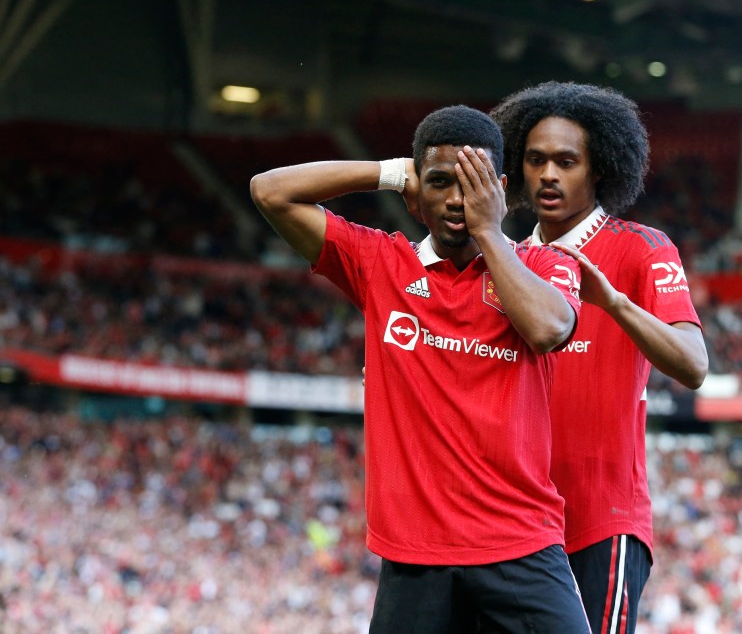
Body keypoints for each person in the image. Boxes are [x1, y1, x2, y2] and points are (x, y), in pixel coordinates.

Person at [250, 105, 591, 633]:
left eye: (473, 185)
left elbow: (549, 329)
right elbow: (271, 191)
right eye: (439, 182)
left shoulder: (545, 265)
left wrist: (489, 231)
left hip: (522, 546)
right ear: (416, 192)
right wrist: (387, 172)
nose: (457, 200)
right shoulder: (379, 264)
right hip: (416, 557)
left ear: (498, 189)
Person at [491, 82, 709, 634]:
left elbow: (693, 364)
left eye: (567, 161)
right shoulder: (507, 263)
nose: (548, 175)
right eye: (535, 160)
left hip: (602, 521)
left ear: (600, 169)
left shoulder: (641, 248)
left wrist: (613, 302)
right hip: (511, 524)